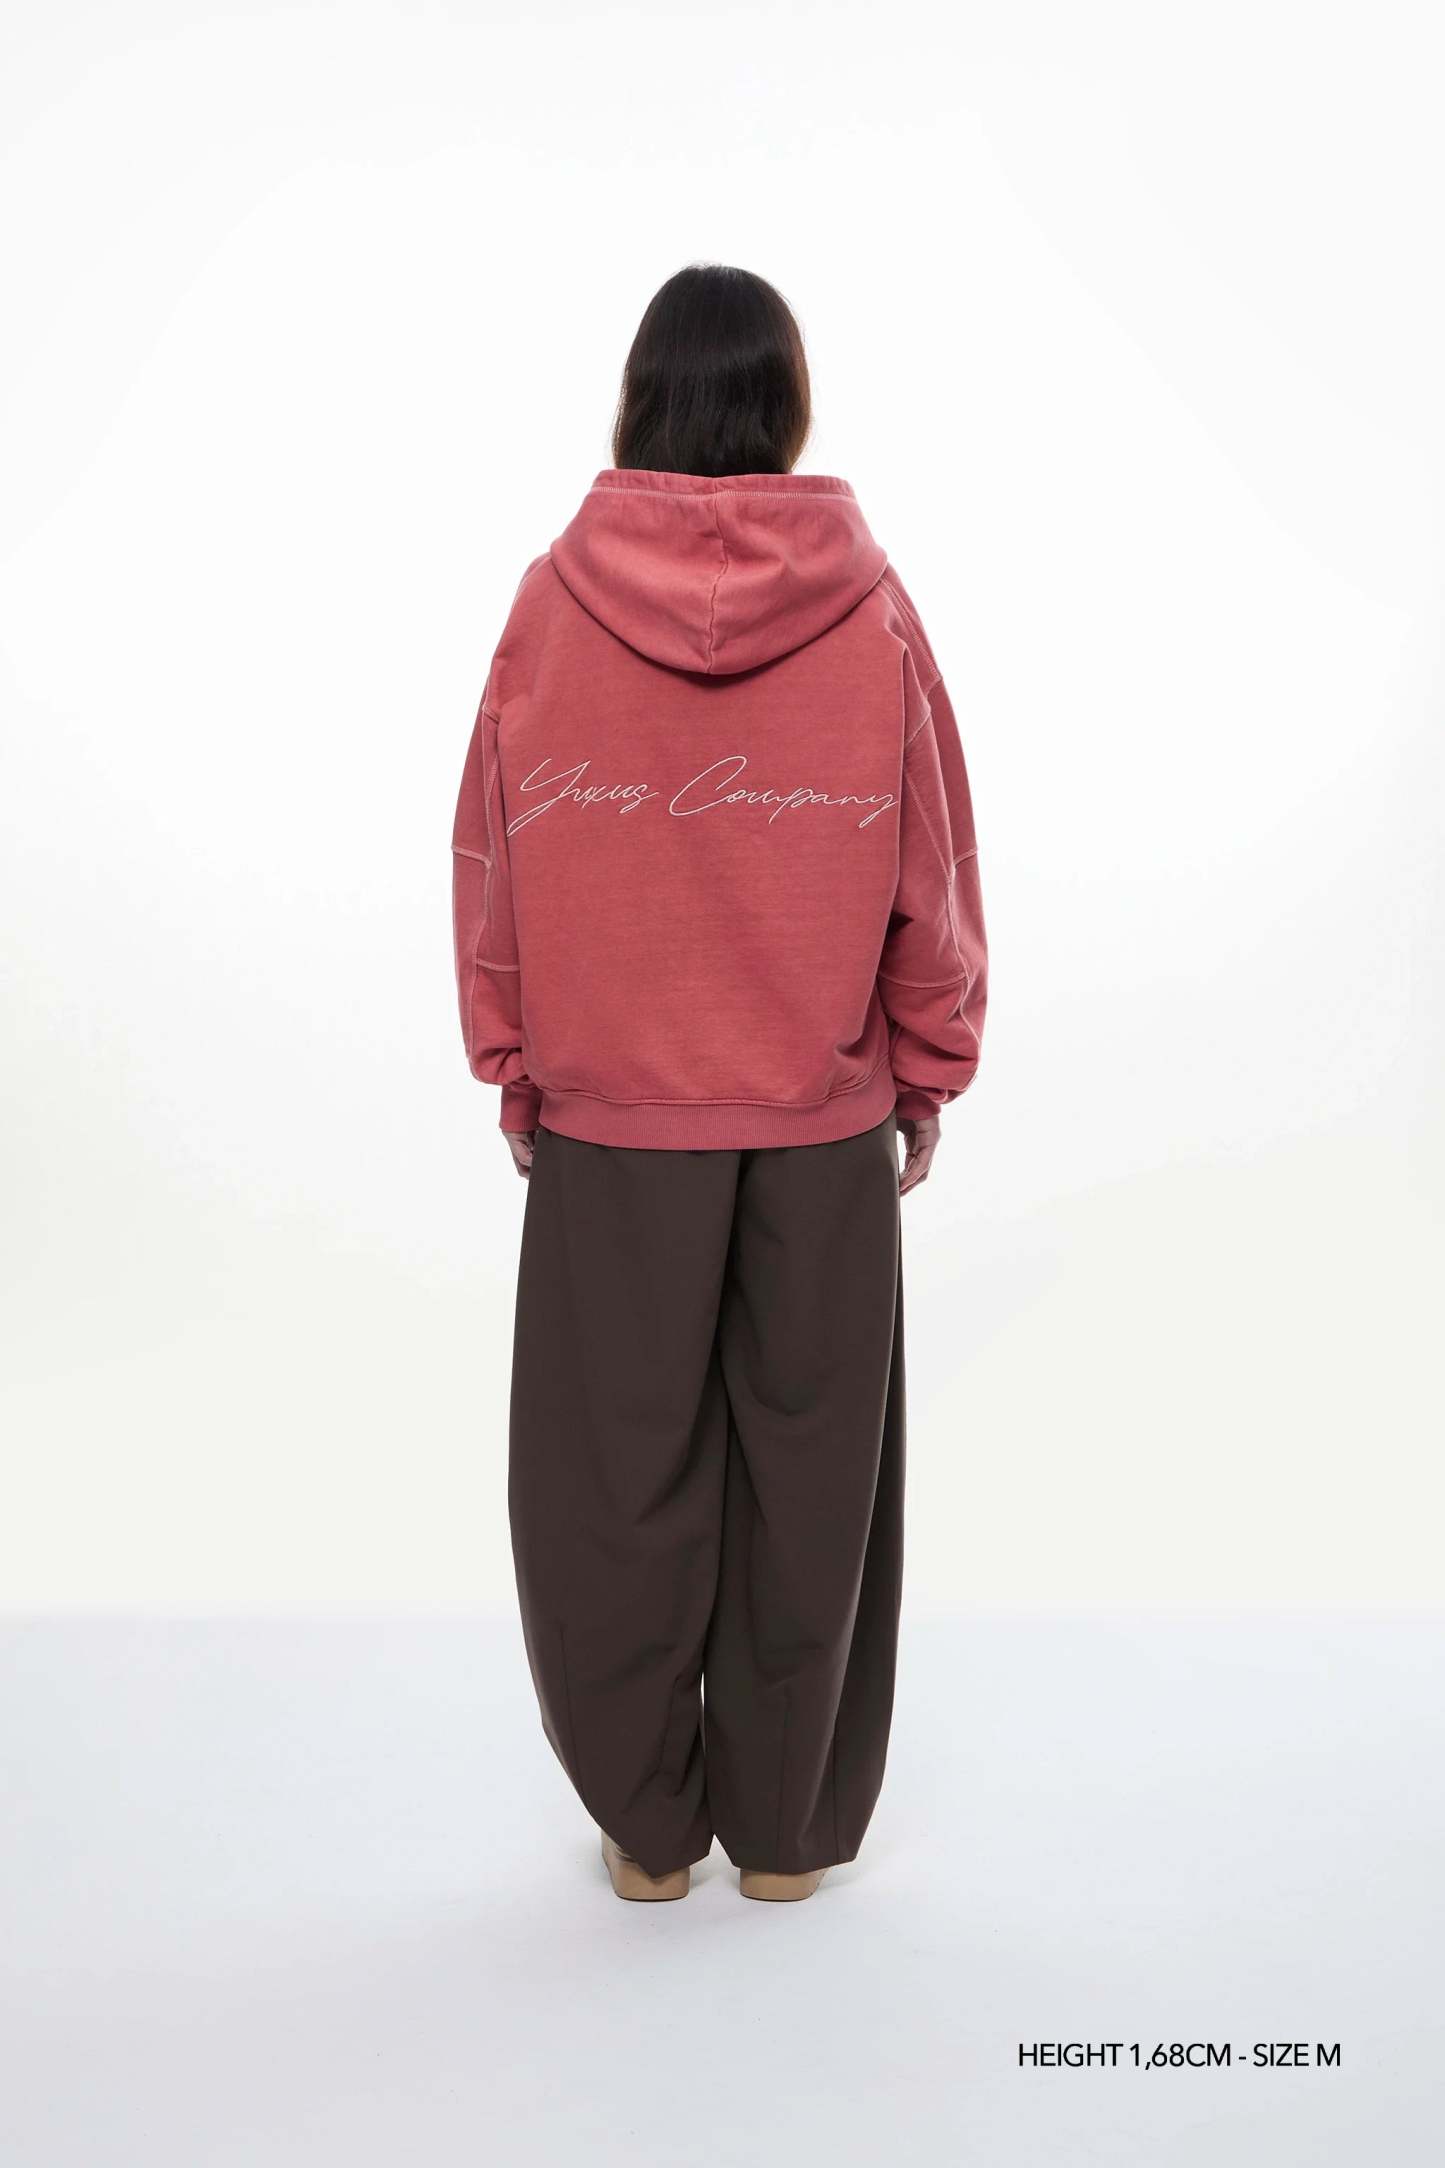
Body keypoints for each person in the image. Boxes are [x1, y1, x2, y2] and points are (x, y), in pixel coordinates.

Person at [451, 264, 987, 1903]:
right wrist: (927, 1063)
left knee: (609, 1488)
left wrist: (516, 1063)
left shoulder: (551, 605)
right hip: (819, 1122)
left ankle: (646, 1831)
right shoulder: (871, 610)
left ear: (638, 401)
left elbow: (493, 854)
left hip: (614, 1122)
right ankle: (785, 1837)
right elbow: (929, 865)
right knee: (812, 1483)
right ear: (786, 408)